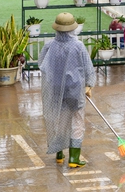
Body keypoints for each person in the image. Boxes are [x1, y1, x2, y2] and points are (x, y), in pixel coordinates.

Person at [39, 13, 96, 168]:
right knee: (77, 122)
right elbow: (88, 68)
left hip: (55, 90)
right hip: (75, 90)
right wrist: (88, 86)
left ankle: (59, 154)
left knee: (60, 120)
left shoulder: (49, 46)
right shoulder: (78, 46)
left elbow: (42, 66)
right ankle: (74, 159)